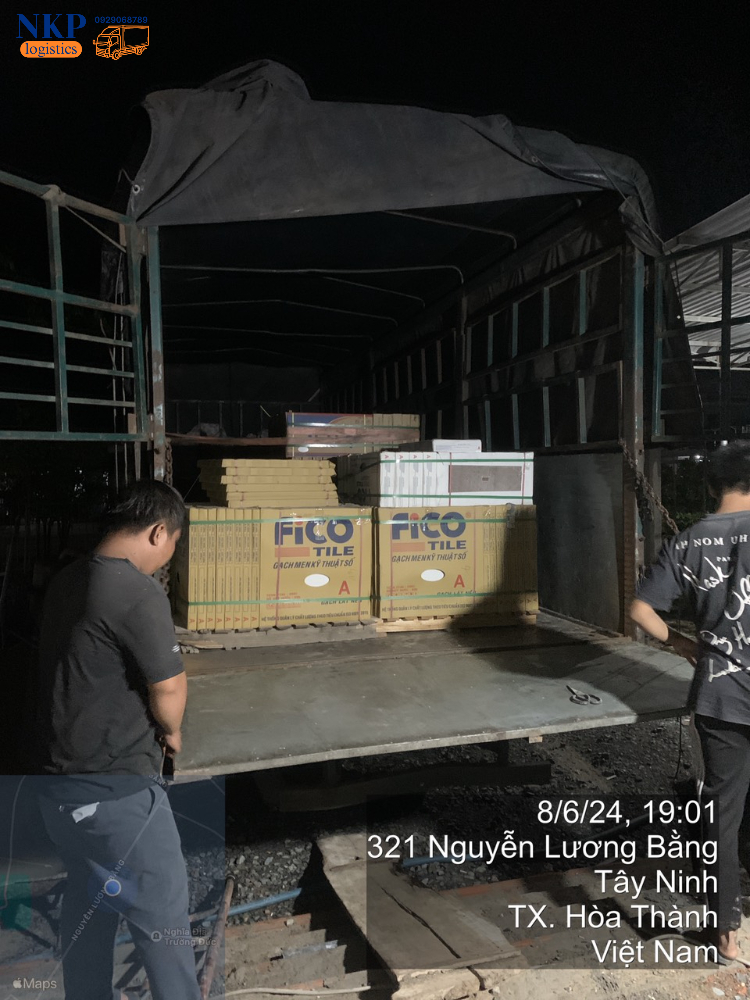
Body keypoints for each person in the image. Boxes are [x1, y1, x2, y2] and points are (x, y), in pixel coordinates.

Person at [31, 479, 202, 1000]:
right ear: (157, 532)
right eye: (173, 543)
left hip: (59, 790)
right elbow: (168, 686)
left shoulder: (67, 579)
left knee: (90, 905)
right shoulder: (134, 591)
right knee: (164, 918)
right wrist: (172, 732)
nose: (168, 556)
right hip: (116, 795)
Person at [631, 440, 750, 967]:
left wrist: (682, 645)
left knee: (724, 811)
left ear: (712, 484)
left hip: (720, 696)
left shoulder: (691, 541)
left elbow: (641, 611)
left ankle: (725, 934)